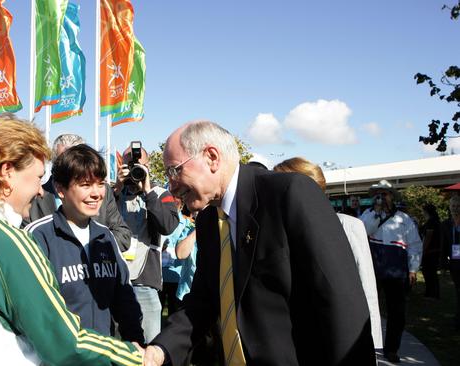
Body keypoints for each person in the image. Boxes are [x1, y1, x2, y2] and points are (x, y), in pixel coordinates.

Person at [0, 115, 143, 365]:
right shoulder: (4, 241)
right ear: (7, 172)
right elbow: (63, 342)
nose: (41, 191)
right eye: (38, 178)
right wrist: (135, 357)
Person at [144, 121, 375, 366]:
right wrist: (160, 351)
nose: (171, 185)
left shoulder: (289, 194)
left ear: (212, 157)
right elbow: (202, 301)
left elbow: (341, 303)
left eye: (174, 170)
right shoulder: (209, 221)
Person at [26, 144, 144, 343]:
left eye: (100, 184)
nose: (97, 193)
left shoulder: (106, 237)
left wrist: (137, 346)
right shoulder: (38, 236)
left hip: (106, 356)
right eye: (86, 185)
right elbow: (35, 313)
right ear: (60, 189)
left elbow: (125, 301)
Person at [273, 157, 383, 350]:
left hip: (336, 338)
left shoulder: (347, 226)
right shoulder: (275, 230)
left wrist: (371, 342)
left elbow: (366, 287)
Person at [115, 143, 179, 343]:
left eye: (139, 166)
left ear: (148, 167)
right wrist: (116, 190)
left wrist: (147, 191)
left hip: (145, 281)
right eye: (129, 165)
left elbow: (167, 226)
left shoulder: (159, 194)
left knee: (150, 345)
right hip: (115, 278)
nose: (134, 170)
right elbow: (97, 222)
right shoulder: (111, 194)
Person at [25, 133, 132, 252]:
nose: (74, 165)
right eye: (67, 161)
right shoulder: (33, 198)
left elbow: (123, 235)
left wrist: (91, 247)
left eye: (80, 159)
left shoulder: (104, 192)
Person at [360, 179, 423, 362]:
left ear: (392, 197)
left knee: (397, 312)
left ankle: (391, 349)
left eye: (385, 194)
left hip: (396, 272)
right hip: (373, 270)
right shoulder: (367, 214)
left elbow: (414, 245)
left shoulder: (403, 219)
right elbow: (364, 231)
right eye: (378, 194)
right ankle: (367, 345)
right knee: (368, 308)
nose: (381, 197)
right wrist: (376, 214)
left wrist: (413, 269)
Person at [441, 195, 460, 330]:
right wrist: (443, 262)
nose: (455, 208)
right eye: (453, 206)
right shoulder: (447, 224)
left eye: (458, 206)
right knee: (458, 290)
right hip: (454, 261)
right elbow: (444, 244)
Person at [421, 203, 442, 299]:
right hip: (434, 250)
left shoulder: (431, 222)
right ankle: (431, 292)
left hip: (430, 251)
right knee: (430, 273)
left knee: (429, 273)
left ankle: (432, 293)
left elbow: (428, 237)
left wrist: (423, 249)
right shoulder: (435, 221)